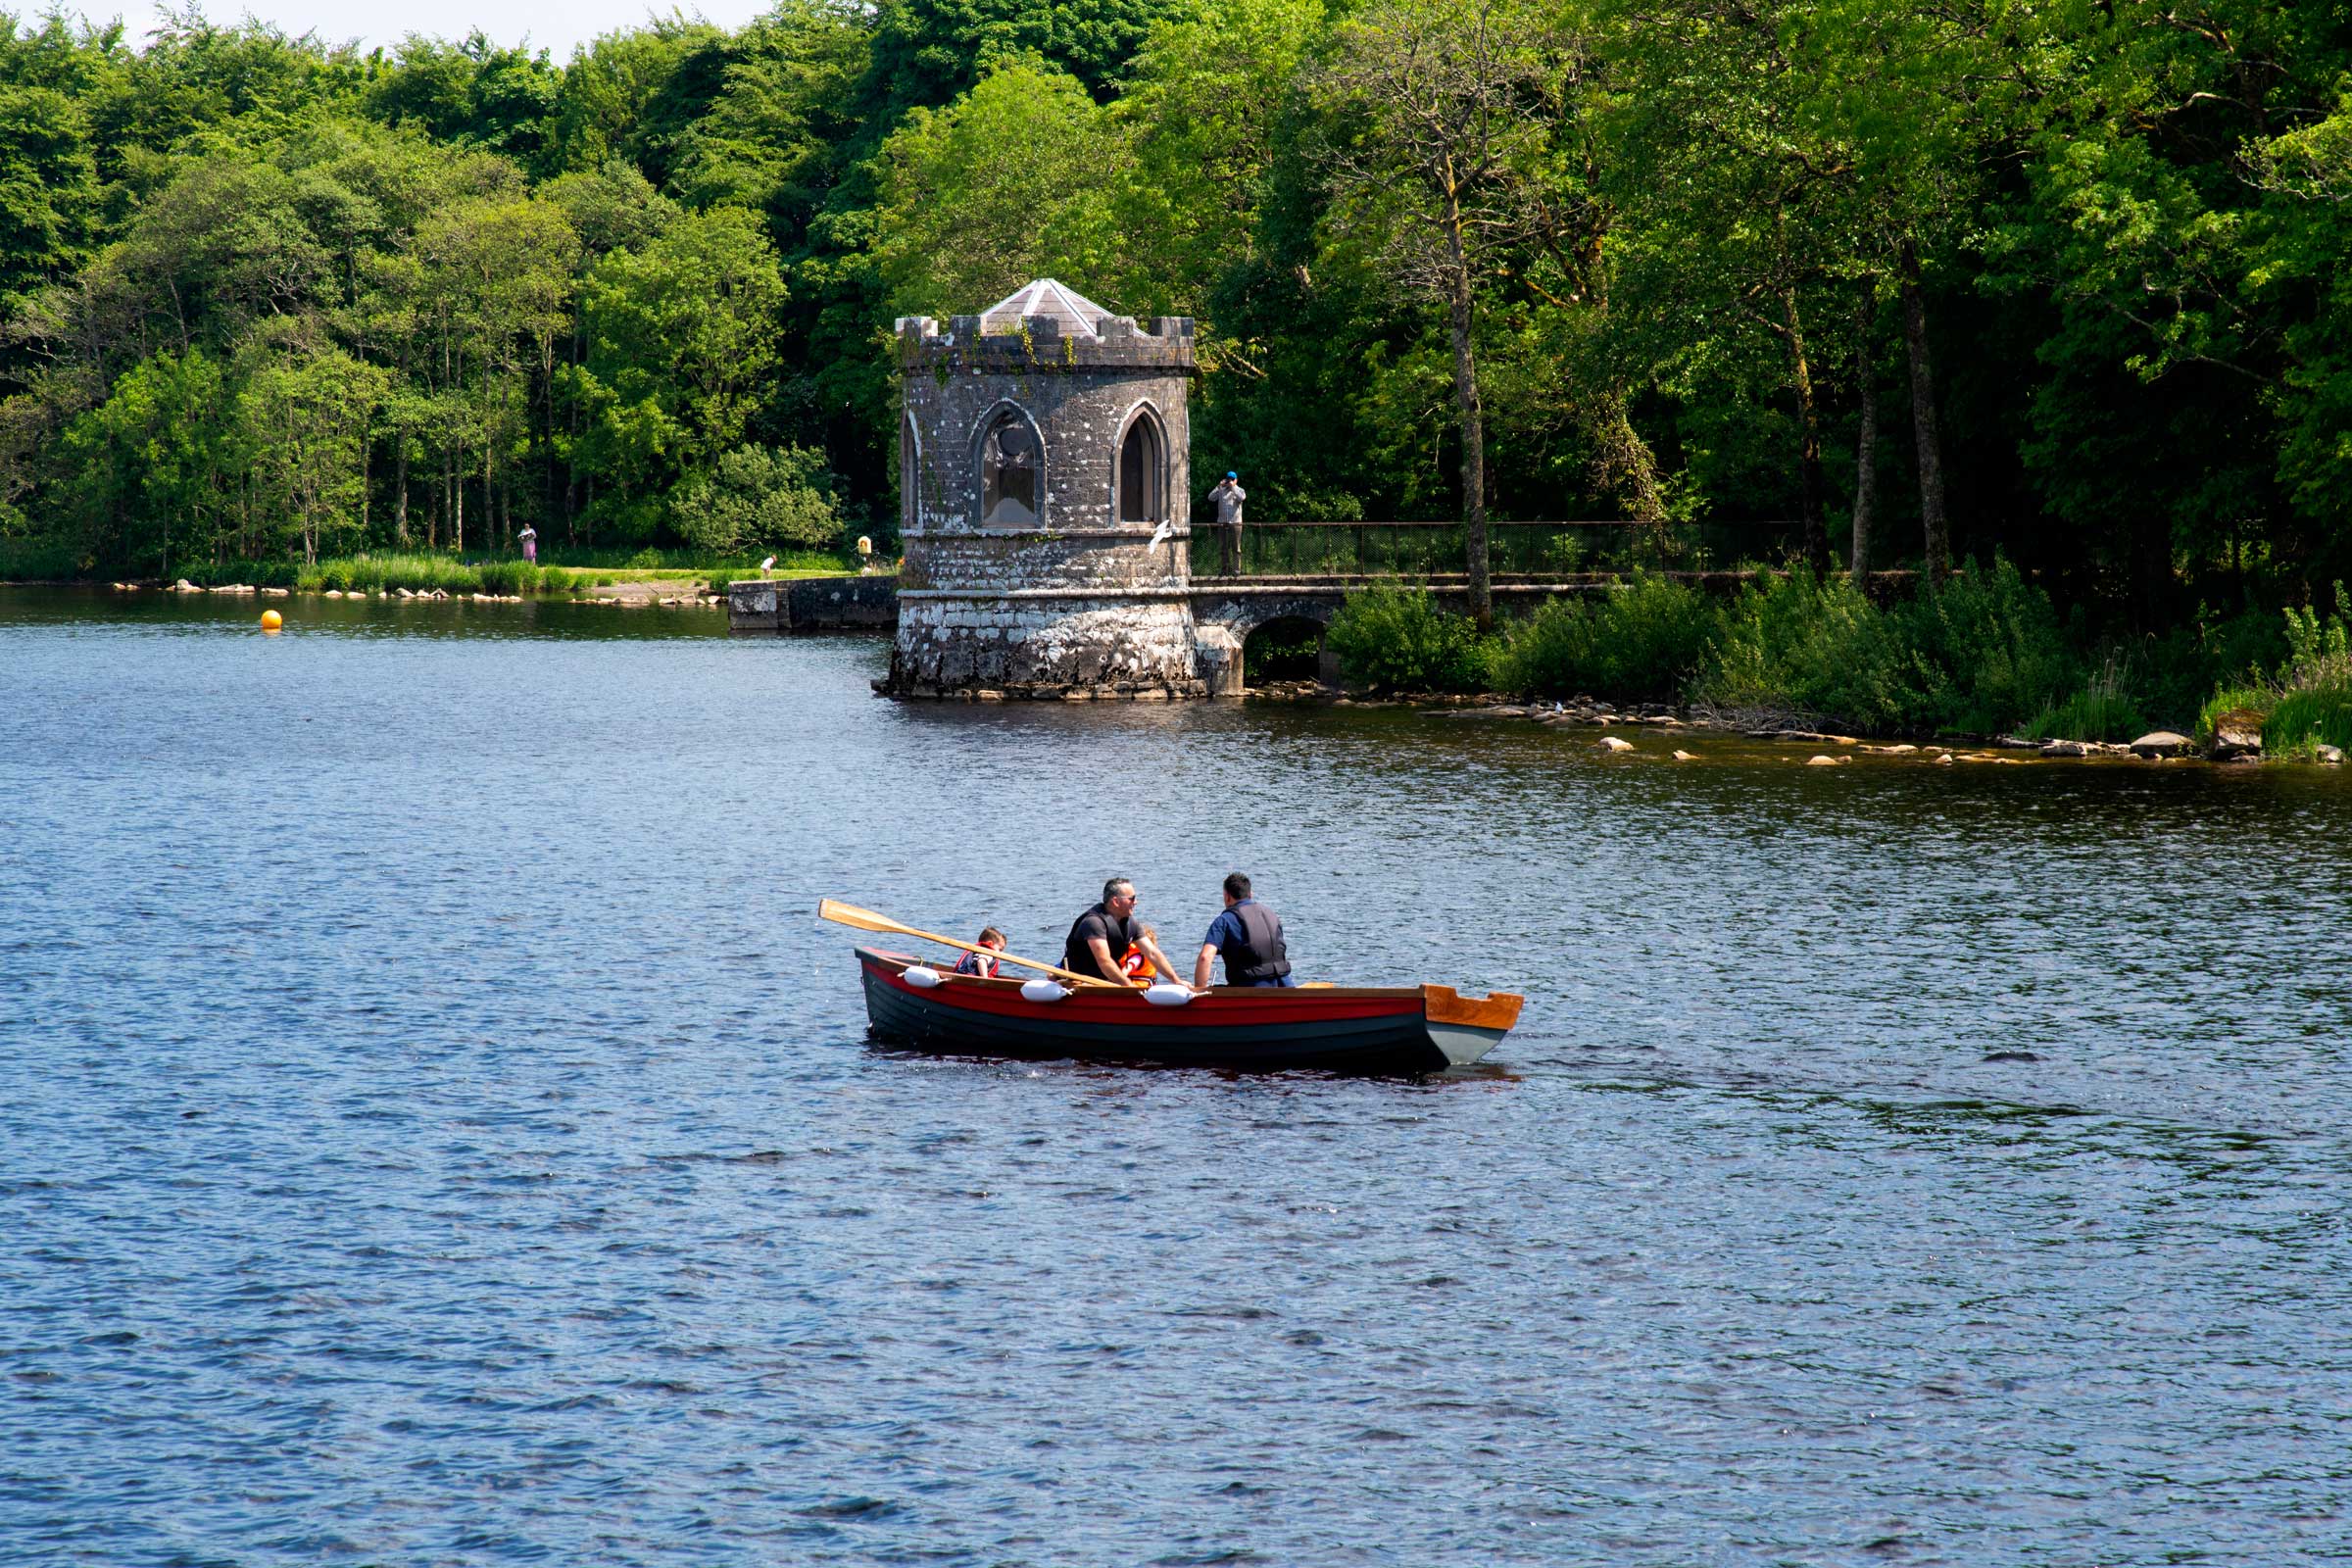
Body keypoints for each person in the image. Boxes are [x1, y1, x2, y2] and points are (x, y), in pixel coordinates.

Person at [1065, 878, 1182, 987]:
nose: (1136, 902)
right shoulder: (1093, 923)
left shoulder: (1131, 924)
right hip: (1081, 982)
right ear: (1116, 901)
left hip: (1106, 982)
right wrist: (1129, 987)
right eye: (1132, 898)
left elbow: (1152, 953)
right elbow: (1104, 961)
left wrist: (1176, 981)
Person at [1194, 872, 1297, 989]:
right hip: (1286, 988)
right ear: (1250, 894)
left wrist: (1198, 992)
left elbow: (1205, 958)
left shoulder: (1224, 921)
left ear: (1227, 896)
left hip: (1250, 991)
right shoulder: (1271, 915)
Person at [1208, 471, 1245, 575]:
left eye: (1232, 479)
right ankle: (1224, 570)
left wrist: (1233, 488)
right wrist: (1219, 486)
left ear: (1236, 480)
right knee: (1223, 548)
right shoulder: (1221, 490)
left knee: (1236, 548)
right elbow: (1210, 498)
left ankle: (1236, 571)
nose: (1230, 481)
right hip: (1222, 523)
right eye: (1229, 479)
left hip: (1236, 523)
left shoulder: (1240, 490)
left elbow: (1242, 498)